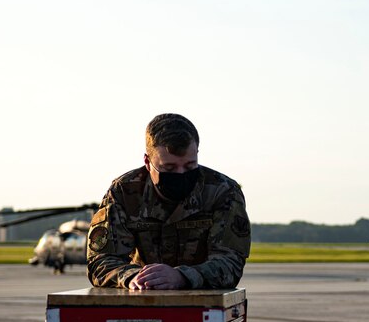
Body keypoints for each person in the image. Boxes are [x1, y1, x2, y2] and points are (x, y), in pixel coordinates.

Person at [87, 113, 250, 290]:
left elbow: (230, 262)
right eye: (169, 168)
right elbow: (100, 261)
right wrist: (131, 277)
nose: (181, 174)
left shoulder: (222, 191)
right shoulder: (124, 192)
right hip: (143, 295)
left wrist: (182, 277)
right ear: (147, 162)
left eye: (189, 166)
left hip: (202, 298)